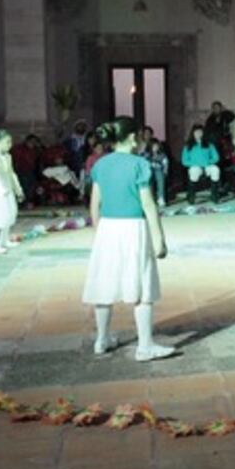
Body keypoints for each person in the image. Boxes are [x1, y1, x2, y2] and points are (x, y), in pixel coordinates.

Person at [83, 116, 174, 362]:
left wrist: (98, 232)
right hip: (134, 228)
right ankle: (144, 346)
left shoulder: (100, 165)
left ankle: (102, 339)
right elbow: (148, 204)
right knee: (142, 286)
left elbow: (95, 203)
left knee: (105, 284)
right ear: (133, 137)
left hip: (107, 229)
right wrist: (159, 240)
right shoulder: (139, 165)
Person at [181, 124, 221, 204]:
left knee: (215, 169)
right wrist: (196, 163)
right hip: (195, 167)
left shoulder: (209, 144)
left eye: (200, 132)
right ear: (193, 133)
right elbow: (184, 161)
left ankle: (214, 195)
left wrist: (208, 162)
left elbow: (216, 157)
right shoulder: (188, 146)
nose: (198, 134)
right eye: (196, 132)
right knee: (194, 171)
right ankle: (191, 196)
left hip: (207, 166)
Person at [11, 135, 42, 207]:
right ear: (27, 141)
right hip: (20, 171)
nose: (33, 143)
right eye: (31, 142)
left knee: (32, 186)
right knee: (25, 185)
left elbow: (36, 162)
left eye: (34, 142)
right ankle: (25, 202)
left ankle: (29, 202)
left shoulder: (36, 150)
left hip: (31, 172)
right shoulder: (19, 149)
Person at [148, 139, 170, 207]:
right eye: (153, 146)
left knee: (160, 178)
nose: (155, 148)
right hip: (149, 171)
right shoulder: (147, 154)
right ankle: (150, 199)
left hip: (159, 171)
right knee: (149, 182)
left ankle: (160, 198)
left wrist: (165, 170)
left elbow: (165, 163)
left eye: (156, 146)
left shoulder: (162, 155)